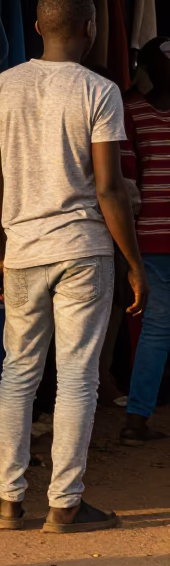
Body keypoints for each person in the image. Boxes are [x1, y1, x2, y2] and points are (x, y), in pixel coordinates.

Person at [0, 0, 146, 533]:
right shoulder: (100, 90)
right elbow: (109, 188)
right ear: (90, 28)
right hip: (82, 251)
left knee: (18, 372)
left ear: (36, 27)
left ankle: (7, 501)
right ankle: (65, 505)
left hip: (24, 249)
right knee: (77, 377)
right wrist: (135, 262)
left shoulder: (3, 87)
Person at [120, 36, 170, 445]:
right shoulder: (130, 111)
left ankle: (136, 420)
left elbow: (127, 184)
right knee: (156, 327)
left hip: (150, 237)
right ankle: (136, 419)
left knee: (155, 327)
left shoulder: (132, 111)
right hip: (152, 239)